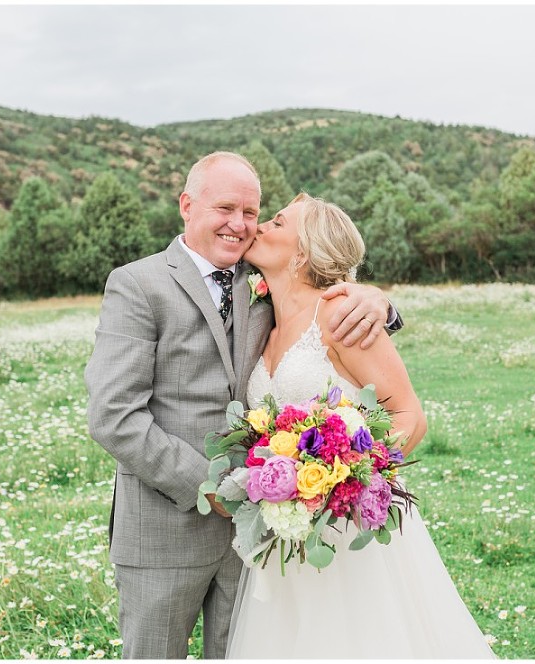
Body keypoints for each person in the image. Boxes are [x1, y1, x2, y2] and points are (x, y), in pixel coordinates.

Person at [84, 152, 397, 659]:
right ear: (188, 205)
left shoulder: (262, 277)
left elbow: (320, 284)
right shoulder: (138, 284)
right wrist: (209, 489)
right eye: (225, 208)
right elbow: (113, 416)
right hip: (165, 530)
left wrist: (379, 301)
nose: (240, 225)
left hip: (257, 540)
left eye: (251, 212)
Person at [226, 193, 495, 659]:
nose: (260, 227)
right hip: (287, 532)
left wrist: (344, 478)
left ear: (304, 249)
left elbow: (410, 415)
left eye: (276, 221)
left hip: (346, 529)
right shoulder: (264, 319)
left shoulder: (340, 316)